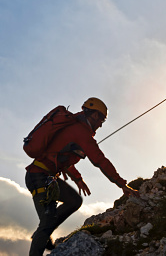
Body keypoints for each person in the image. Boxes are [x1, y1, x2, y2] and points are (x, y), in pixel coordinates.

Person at [25, 97, 138, 256]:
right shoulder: (81, 132)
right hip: (39, 177)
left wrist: (78, 179)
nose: (100, 124)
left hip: (45, 177)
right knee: (46, 223)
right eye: (101, 119)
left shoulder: (76, 129)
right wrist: (122, 184)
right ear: (94, 115)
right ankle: (42, 235)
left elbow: (60, 157)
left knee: (74, 201)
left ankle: (43, 232)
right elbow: (100, 160)